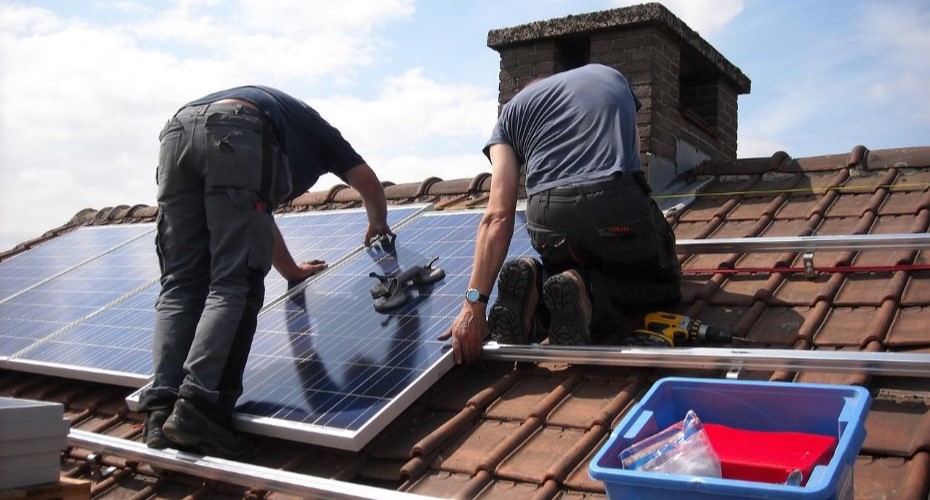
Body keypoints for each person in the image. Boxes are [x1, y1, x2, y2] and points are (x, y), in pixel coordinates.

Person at [137, 85, 394, 457]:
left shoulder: (286, 126)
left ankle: (160, 414)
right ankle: (199, 410)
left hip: (177, 133)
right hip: (236, 129)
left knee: (180, 285)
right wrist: (378, 224)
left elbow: (256, 219)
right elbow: (368, 183)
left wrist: (290, 270)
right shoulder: (322, 136)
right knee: (233, 285)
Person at [443, 64, 681, 365]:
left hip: (549, 218)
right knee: (665, 283)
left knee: (568, 259)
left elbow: (498, 215)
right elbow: (634, 166)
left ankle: (537, 283)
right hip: (615, 201)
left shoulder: (510, 115)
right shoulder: (610, 75)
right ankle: (588, 295)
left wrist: (474, 305)